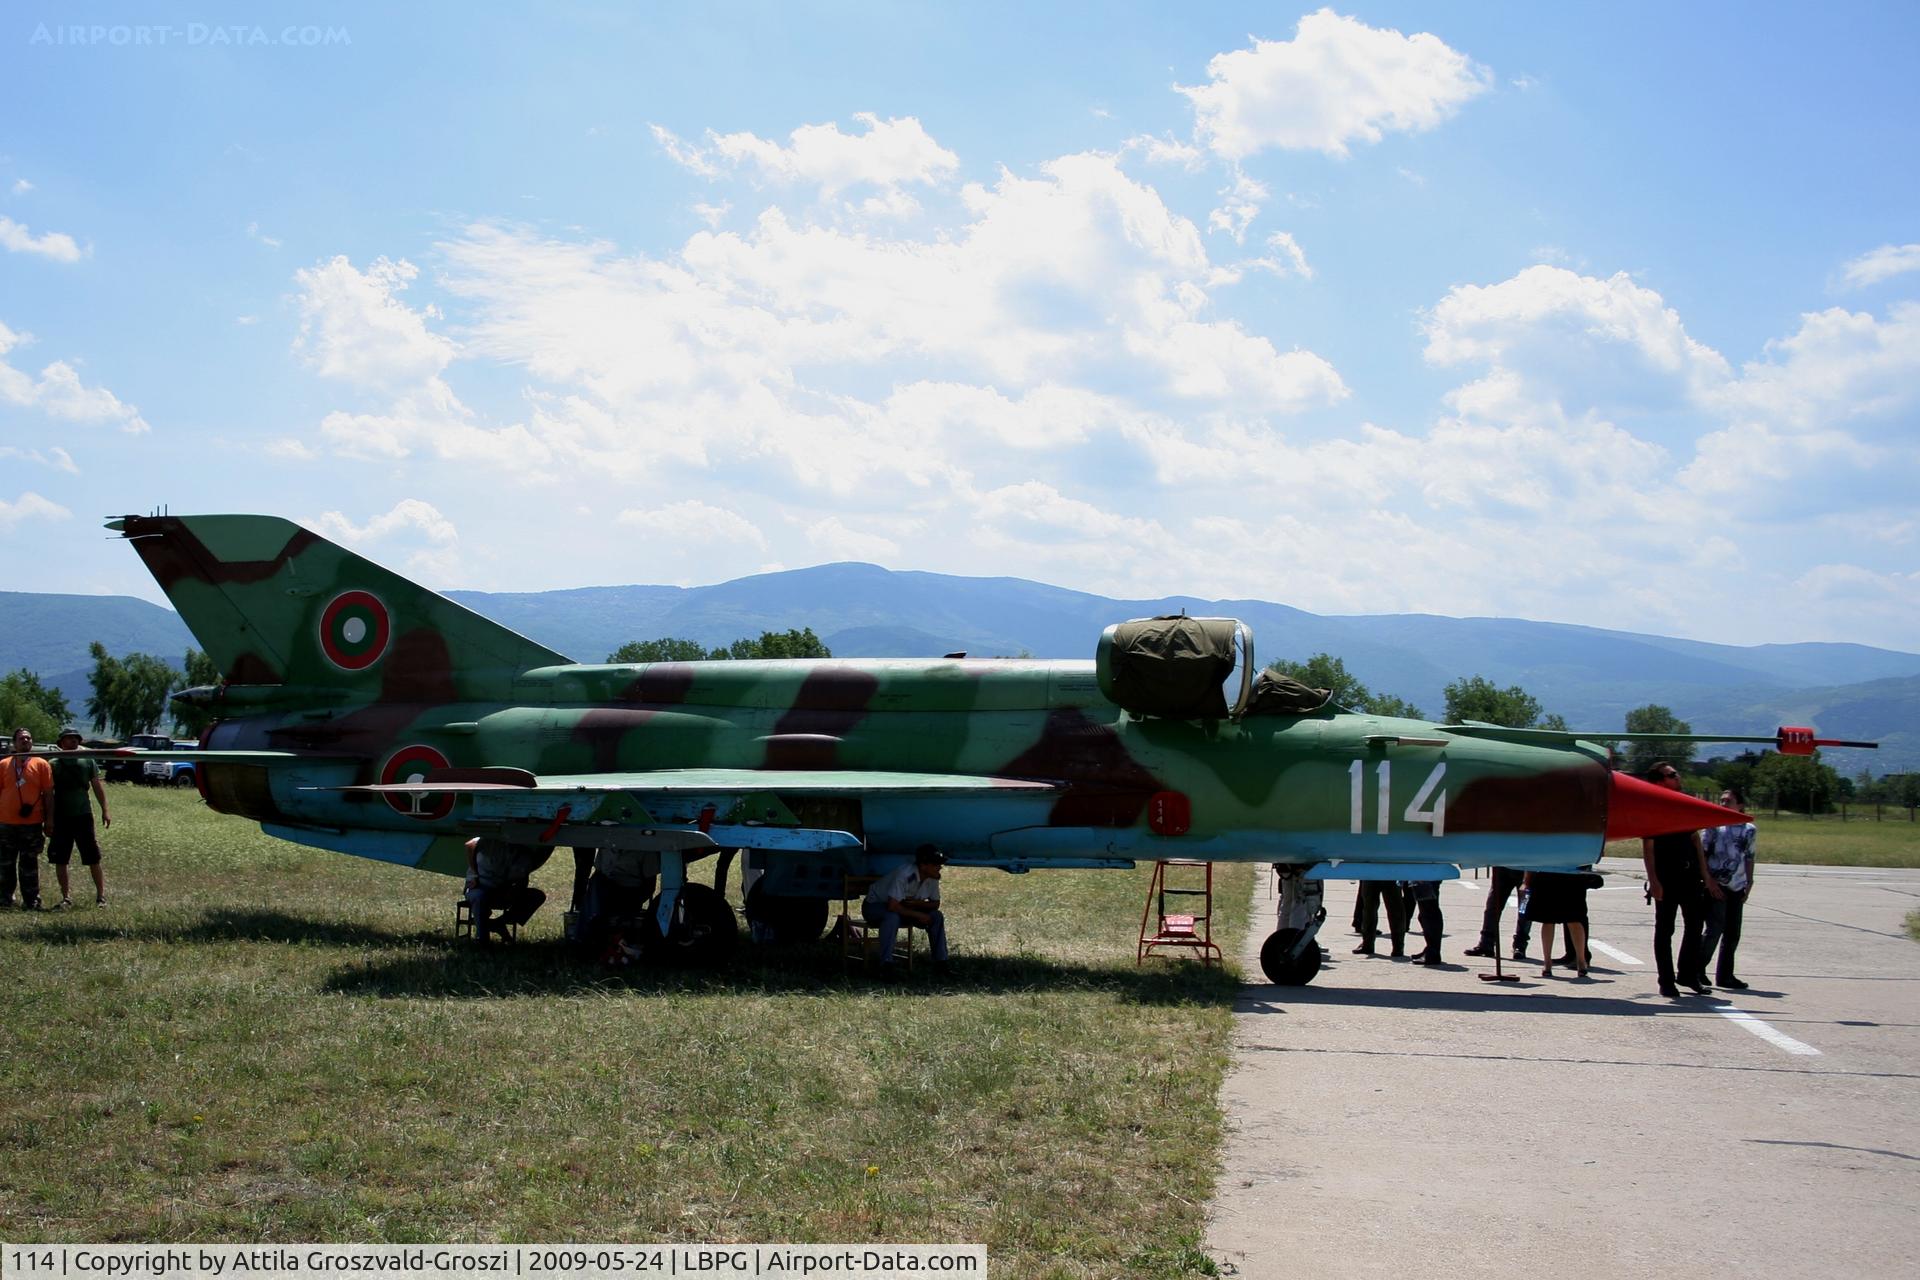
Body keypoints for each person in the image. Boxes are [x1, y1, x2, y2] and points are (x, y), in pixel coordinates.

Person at [1640, 762, 1722, 997]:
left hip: (1690, 877)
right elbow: (1648, 847)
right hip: (1666, 877)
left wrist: (1706, 875)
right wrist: (1653, 881)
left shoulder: (1682, 803)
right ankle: (1666, 981)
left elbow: (1695, 839)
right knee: (1665, 930)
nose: (1678, 777)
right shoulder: (1653, 807)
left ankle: (1687, 974)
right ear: (1659, 780)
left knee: (1695, 926)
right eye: (1672, 775)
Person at [48, 727, 111, 909]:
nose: (73, 741)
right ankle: (66, 897)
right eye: (68, 738)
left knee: (93, 857)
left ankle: (101, 897)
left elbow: (97, 786)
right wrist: (49, 819)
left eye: (75, 738)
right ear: (61, 743)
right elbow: (48, 794)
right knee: (60, 859)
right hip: (61, 816)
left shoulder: (87, 761)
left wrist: (105, 810)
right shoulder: (53, 764)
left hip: (83, 815)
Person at [1700, 788, 1756, 990]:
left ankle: (1725, 975)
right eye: (1722, 800)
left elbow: (1749, 856)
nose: (1723, 804)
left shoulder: (1749, 829)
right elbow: (1703, 855)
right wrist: (1709, 882)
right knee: (1714, 929)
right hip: (1717, 885)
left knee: (1732, 933)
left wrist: (1749, 882)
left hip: (1737, 885)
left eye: (1728, 801)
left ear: (1739, 805)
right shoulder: (1713, 826)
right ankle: (1697, 968)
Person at [862, 843, 948, 972]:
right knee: (891, 917)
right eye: (935, 864)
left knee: (936, 916)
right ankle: (886, 965)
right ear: (923, 865)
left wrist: (917, 904)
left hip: (903, 908)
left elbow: (935, 904)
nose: (939, 867)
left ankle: (941, 963)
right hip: (876, 907)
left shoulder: (932, 877)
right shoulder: (905, 874)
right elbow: (892, 905)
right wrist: (918, 914)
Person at [1, 727, 54, 911]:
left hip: (31, 824)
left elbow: (48, 794)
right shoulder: (4, 764)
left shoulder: (41, 764)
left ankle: (31, 901)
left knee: (29, 864)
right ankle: (5, 899)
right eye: (22, 739)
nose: (25, 741)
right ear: (14, 743)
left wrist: (49, 820)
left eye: (28, 738)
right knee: (5, 864)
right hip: (6, 823)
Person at [576, 845, 657, 962]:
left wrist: (634, 902)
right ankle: (592, 932)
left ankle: (586, 937)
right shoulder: (606, 846)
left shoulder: (646, 850)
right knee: (597, 882)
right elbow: (598, 871)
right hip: (604, 891)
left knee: (599, 887)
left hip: (628, 892)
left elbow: (649, 886)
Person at [463, 836, 552, 941]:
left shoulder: (522, 854)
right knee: (479, 897)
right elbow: (470, 844)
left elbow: (522, 879)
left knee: (537, 896)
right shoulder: (488, 842)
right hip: (480, 886)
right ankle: (482, 938)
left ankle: (499, 923)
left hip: (503, 890)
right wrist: (473, 872)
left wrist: (515, 890)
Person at [1524, 868, 1590, 979]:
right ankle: (1547, 962)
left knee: (1574, 919)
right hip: (1548, 873)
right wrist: (1526, 881)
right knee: (1548, 920)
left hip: (1572, 873)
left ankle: (1581, 961)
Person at [1464, 866, 1531, 961]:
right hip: (1502, 867)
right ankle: (1486, 944)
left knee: (1524, 910)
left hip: (1526, 868)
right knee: (1492, 906)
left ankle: (1520, 946)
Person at [1352, 879, 1407, 957]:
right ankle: (1367, 944)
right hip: (1370, 872)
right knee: (1368, 908)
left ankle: (1398, 947)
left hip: (1392, 872)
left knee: (1395, 909)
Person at [1401, 878, 1445, 965]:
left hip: (1424, 877)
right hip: (1425, 876)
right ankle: (1431, 949)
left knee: (1428, 913)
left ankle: (1432, 953)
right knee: (1426, 913)